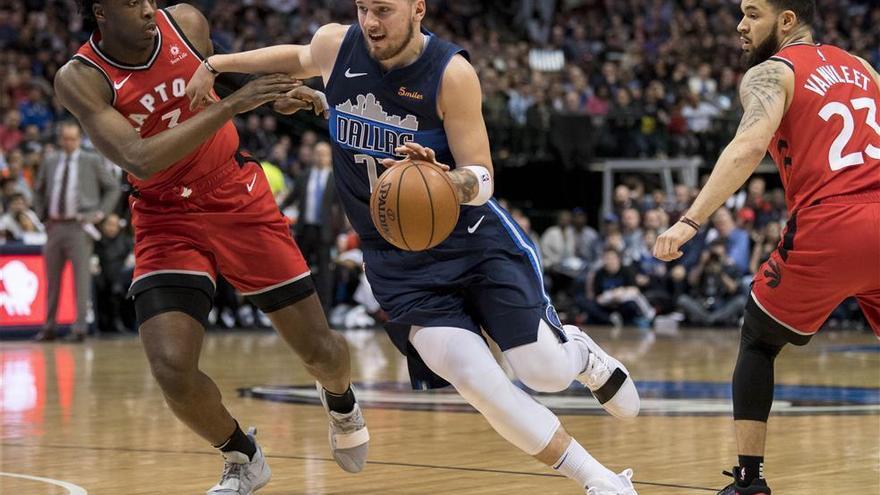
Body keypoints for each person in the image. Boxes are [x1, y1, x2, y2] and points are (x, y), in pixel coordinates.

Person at [186, 1, 640, 493]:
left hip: (473, 244)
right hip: (396, 262)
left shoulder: (452, 72)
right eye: (362, 8)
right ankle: (598, 479)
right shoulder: (337, 46)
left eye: (383, 9)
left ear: (418, 8)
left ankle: (580, 354)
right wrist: (217, 63)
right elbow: (295, 58)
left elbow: (484, 176)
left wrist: (448, 183)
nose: (371, 22)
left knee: (545, 373)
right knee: (477, 382)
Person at [55, 2, 369, 493]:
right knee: (171, 370)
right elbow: (139, 157)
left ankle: (343, 401)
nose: (146, 9)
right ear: (100, 10)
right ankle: (242, 455)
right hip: (163, 216)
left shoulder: (185, 23)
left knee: (320, 350)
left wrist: (275, 94)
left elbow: (211, 85)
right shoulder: (81, 77)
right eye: (132, 2)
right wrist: (235, 106)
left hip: (233, 195)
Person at [653, 1, 880, 494]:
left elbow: (748, 147)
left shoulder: (771, 72)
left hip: (831, 221)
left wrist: (691, 221)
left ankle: (750, 481)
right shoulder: (862, 67)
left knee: (758, 339)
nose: (740, 24)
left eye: (752, 13)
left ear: (786, 20)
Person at [33, 121, 120, 341]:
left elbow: (113, 187)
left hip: (80, 226)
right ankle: (49, 326)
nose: (69, 143)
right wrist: (41, 214)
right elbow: (39, 189)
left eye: (73, 138)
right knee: (52, 280)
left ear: (79, 139)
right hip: (54, 226)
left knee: (81, 279)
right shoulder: (50, 160)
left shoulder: (91, 160)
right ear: (60, 139)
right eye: (65, 138)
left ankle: (80, 328)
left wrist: (100, 214)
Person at [280, 141, 343, 313]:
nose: (321, 157)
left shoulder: (335, 178)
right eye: (318, 153)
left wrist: (340, 232)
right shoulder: (304, 175)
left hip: (325, 232)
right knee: (299, 270)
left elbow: (342, 208)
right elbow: (290, 198)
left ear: (330, 157)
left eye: (324, 154)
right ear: (313, 155)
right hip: (304, 229)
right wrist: (276, 212)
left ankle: (325, 311)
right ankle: (299, 309)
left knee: (325, 273)